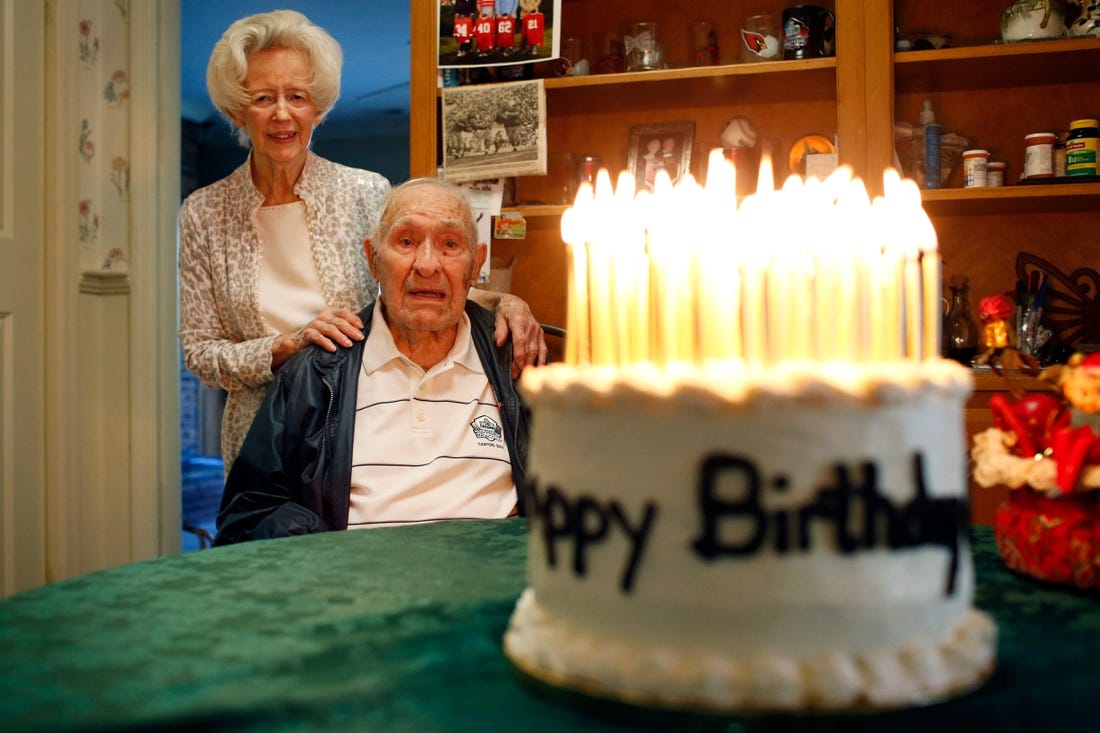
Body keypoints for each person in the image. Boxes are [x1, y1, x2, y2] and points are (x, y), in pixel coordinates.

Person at [178, 10, 547, 473]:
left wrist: (505, 301)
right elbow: (202, 355)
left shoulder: (364, 191)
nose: (282, 114)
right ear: (236, 108)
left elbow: (416, 285)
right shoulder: (203, 212)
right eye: (262, 98)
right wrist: (287, 346)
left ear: (318, 106)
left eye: (297, 96)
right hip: (262, 442)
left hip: (357, 427)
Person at [213, 178, 529, 545]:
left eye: (450, 244)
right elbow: (247, 514)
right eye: (406, 241)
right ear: (372, 260)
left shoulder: (517, 358)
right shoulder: (317, 374)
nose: (427, 265)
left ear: (476, 267)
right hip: (358, 593)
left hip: (494, 589)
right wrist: (332, 556)